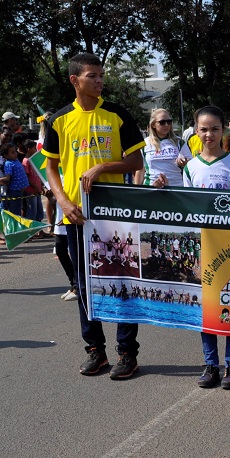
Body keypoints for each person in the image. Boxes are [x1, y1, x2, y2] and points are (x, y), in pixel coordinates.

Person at [42, 53, 145, 379]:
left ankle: (127, 352)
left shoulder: (117, 115)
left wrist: (102, 166)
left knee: (122, 282)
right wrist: (63, 201)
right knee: (86, 286)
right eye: (92, 76)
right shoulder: (57, 121)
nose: (99, 81)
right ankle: (95, 350)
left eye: (101, 75)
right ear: (75, 80)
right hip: (77, 219)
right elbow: (51, 167)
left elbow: (136, 162)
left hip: (114, 216)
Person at [182, 106, 230, 389]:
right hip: (201, 249)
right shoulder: (190, 167)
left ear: (225, 132)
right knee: (205, 308)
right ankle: (211, 364)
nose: (209, 134)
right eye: (203, 129)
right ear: (196, 131)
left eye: (215, 129)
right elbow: (183, 208)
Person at [135, 108, 191, 187]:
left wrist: (185, 162)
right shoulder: (145, 144)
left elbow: (191, 165)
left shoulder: (179, 142)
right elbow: (140, 169)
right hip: (152, 189)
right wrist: (136, 190)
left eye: (169, 122)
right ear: (153, 124)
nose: (166, 125)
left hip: (176, 188)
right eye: (162, 122)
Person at [0, 143, 29, 216]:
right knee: (15, 212)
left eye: (15, 151)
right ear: (6, 155)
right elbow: (7, 178)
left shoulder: (16, 160)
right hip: (15, 191)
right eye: (12, 152)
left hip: (21, 190)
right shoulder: (8, 164)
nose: (15, 154)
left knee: (20, 209)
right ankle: (14, 226)